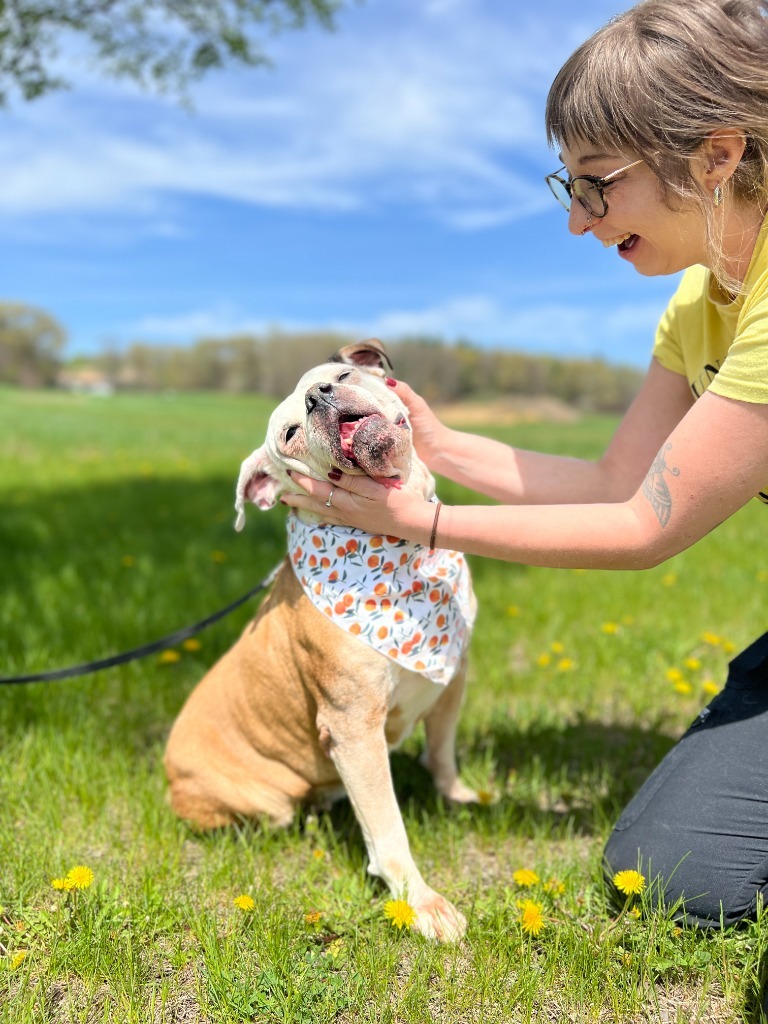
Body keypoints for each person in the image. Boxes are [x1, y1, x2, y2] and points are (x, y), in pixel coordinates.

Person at [282, 0, 768, 939]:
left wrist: (418, 526)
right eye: (570, 188)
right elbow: (618, 479)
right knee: (675, 878)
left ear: (717, 157)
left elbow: (643, 530)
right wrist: (437, 446)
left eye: (599, 186)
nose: (578, 224)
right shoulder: (700, 305)